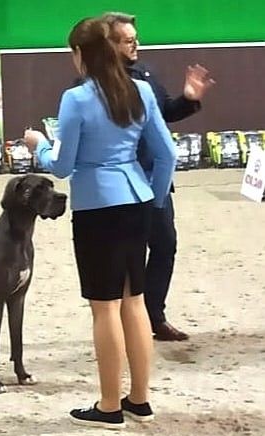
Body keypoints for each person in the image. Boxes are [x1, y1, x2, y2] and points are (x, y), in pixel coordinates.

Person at [23, 18, 176, 429]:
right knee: (135, 301)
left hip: (97, 207)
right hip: (137, 199)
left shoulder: (76, 98)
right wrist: (156, 198)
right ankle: (139, 398)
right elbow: (168, 155)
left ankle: (109, 405)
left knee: (104, 307)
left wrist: (39, 146)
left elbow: (62, 165)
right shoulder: (142, 90)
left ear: (80, 53)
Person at [102, 12, 215, 341]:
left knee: (165, 245)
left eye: (135, 38)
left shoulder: (146, 74)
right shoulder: (96, 84)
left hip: (156, 178)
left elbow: (165, 111)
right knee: (124, 253)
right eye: (128, 40)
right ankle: (122, 319)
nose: (135, 44)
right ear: (109, 44)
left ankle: (154, 316)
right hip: (120, 182)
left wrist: (189, 99)